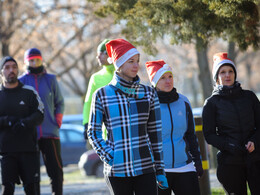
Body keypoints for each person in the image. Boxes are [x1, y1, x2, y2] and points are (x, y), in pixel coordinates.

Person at [87, 38, 168, 195]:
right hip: (117, 169)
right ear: (119, 64)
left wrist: (159, 169)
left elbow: (155, 134)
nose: (136, 65)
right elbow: (93, 132)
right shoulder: (102, 94)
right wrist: (110, 156)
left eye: (137, 61)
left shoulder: (148, 93)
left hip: (145, 167)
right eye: (130, 61)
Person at [202, 52, 260, 195]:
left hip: (255, 160)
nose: (227, 75)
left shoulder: (250, 97)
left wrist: (254, 141)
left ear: (234, 74)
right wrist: (229, 145)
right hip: (230, 163)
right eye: (222, 72)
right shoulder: (211, 103)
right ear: (217, 78)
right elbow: (209, 135)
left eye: (230, 71)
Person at [145, 60, 203, 195]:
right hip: (158, 170)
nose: (168, 81)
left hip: (185, 167)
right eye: (163, 78)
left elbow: (191, 135)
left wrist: (197, 162)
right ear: (154, 81)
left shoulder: (184, 102)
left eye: (170, 76)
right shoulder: (148, 104)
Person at [19, 48, 65, 195]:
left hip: (50, 133)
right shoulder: (21, 82)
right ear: (26, 62)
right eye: (31, 60)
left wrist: (57, 122)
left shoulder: (51, 79)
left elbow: (60, 102)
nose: (34, 62)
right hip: (29, 136)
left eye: (37, 59)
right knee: (32, 175)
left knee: (56, 172)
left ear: (41, 60)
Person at [0, 56, 44, 195]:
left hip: (29, 150)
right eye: (7, 68)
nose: (11, 70)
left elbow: (40, 114)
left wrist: (25, 123)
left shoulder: (29, 92)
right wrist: (8, 121)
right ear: (1, 72)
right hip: (6, 151)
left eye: (14, 67)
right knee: (7, 189)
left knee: (32, 190)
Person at [82, 39, 115, 139]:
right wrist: (86, 123)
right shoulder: (96, 77)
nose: (98, 57)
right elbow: (88, 102)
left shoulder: (123, 73)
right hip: (105, 131)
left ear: (108, 54)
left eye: (100, 54)